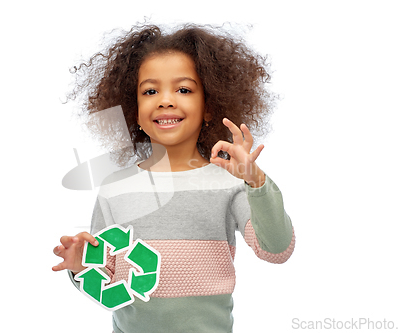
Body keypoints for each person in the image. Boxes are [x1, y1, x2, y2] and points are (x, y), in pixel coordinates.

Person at [52, 23, 295, 333]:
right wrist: (80, 265)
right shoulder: (115, 187)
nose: (165, 100)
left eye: (183, 89)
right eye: (150, 91)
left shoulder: (228, 183)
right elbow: (106, 281)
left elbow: (276, 250)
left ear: (209, 107)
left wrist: (256, 181)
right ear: (135, 111)